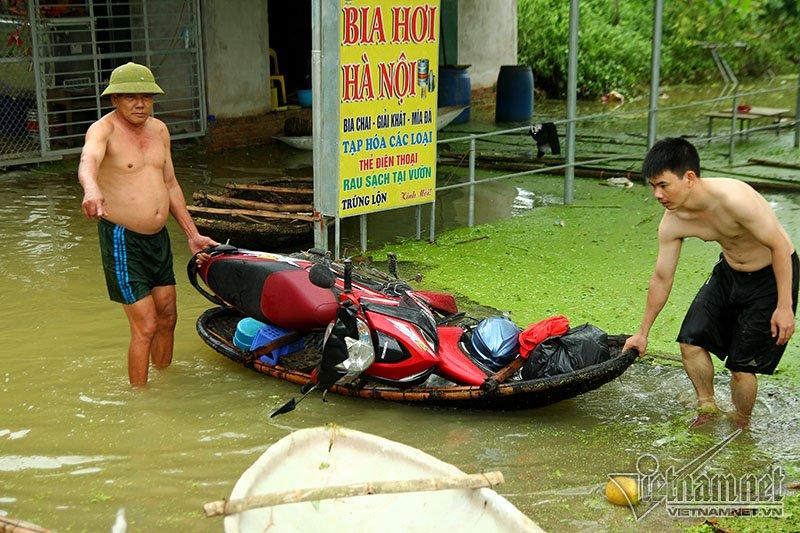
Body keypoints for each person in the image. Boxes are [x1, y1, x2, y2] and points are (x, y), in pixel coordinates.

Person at [623, 138, 798, 428]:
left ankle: (741, 423)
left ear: (689, 178)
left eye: (663, 185)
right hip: (729, 271)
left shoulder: (735, 200)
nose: (657, 195)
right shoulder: (673, 221)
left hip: (771, 274)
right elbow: (662, 277)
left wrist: (784, 306)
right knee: (690, 342)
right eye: (653, 186)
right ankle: (707, 406)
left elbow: (780, 246)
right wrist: (643, 332)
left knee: (741, 367)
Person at [78, 62, 217, 386]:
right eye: (130, 97)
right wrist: (91, 189)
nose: (140, 104)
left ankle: (164, 384)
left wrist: (192, 235)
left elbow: (170, 184)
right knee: (146, 324)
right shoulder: (103, 130)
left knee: (168, 316)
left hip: (158, 238)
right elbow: (88, 161)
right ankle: (141, 400)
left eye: (146, 97)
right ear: (115, 99)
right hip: (123, 239)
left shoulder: (159, 130)